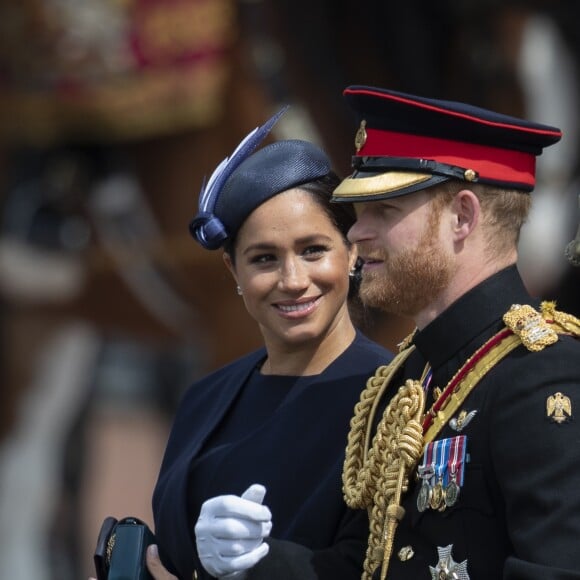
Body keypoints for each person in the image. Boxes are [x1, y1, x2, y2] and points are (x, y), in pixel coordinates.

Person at [325, 85, 580, 580]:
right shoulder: (409, 378)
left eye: (385, 211)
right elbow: (358, 564)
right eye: (361, 212)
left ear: (462, 217)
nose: (356, 232)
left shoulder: (543, 377)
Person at [133, 109, 394, 580]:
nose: (293, 281)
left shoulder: (396, 398)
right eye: (264, 259)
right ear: (235, 273)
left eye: (313, 250)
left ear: (353, 252)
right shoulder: (203, 400)